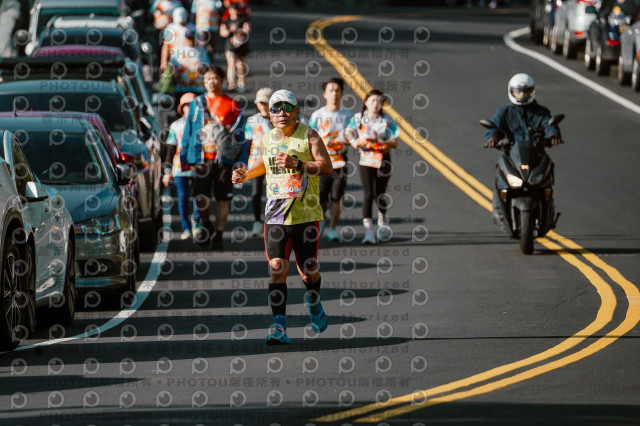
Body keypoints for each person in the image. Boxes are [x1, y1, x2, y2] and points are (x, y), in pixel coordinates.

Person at [231, 89, 333, 345]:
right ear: (270, 114)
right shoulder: (266, 139)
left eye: (288, 108)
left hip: (305, 216)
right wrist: (246, 174)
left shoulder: (309, 135)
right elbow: (263, 165)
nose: (282, 113)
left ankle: (314, 301)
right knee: (277, 268)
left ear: (297, 112)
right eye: (276, 108)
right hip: (276, 217)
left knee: (308, 271)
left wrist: (299, 165)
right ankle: (279, 328)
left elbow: (326, 167)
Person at [180, 65, 249, 250]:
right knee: (200, 196)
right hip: (201, 159)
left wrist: (242, 161)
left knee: (222, 199)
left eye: (215, 78)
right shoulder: (197, 104)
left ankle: (218, 234)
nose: (211, 82)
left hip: (224, 159)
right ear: (204, 81)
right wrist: (184, 156)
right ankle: (206, 223)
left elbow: (240, 136)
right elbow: (188, 130)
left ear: (222, 80)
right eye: (208, 79)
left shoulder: (232, 105)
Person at [484, 73, 561, 228]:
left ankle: (548, 208)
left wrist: (553, 135)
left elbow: (549, 125)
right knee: (501, 176)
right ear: (511, 91)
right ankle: (499, 210)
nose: (521, 96)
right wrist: (492, 138)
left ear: (532, 92)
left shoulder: (541, 112)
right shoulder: (504, 112)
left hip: (535, 156)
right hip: (512, 157)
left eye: (525, 92)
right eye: (517, 92)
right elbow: (494, 127)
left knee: (548, 170)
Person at [345, 89, 399, 245]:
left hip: (383, 159)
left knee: (379, 193)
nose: (376, 104)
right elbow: (348, 132)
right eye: (373, 100)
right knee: (368, 194)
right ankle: (368, 232)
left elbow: (395, 142)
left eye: (379, 102)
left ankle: (382, 221)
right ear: (366, 102)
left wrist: (381, 139)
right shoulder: (359, 118)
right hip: (366, 160)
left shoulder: (387, 120)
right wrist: (354, 142)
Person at [309, 77, 353, 242]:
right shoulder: (317, 115)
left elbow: (354, 137)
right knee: (321, 197)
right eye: (331, 90)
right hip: (321, 162)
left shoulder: (348, 116)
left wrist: (344, 141)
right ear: (325, 94)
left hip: (340, 161)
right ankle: (321, 222)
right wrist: (322, 142)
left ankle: (332, 228)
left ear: (341, 94)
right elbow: (309, 138)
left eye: (337, 91)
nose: (334, 94)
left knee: (336, 197)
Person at [163, 92, 197, 240]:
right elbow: (170, 150)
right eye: (186, 105)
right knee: (183, 198)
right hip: (179, 167)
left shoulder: (203, 124)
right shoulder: (175, 126)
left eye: (192, 105)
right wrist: (167, 171)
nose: (189, 108)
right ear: (181, 107)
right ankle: (186, 228)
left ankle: (197, 221)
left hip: (199, 167)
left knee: (199, 196)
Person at [244, 87, 273, 237]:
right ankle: (257, 222)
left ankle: (270, 223)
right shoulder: (252, 120)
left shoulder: (277, 119)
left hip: (274, 162)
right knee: (256, 192)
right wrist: (244, 163)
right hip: (256, 161)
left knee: (272, 193)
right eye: (260, 103)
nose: (263, 106)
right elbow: (247, 144)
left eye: (266, 102)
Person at [168, 29, 210, 98]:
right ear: (185, 39)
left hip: (198, 88)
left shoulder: (202, 51)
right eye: (188, 38)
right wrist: (175, 74)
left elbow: (207, 67)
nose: (190, 40)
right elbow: (172, 65)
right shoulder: (178, 50)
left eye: (192, 38)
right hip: (182, 88)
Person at [219, 2, 251, 93]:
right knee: (231, 63)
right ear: (229, 10)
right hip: (230, 45)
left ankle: (241, 83)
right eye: (232, 10)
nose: (234, 11)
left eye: (236, 10)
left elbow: (247, 29)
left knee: (240, 64)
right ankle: (231, 84)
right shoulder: (226, 21)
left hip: (242, 45)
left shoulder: (243, 19)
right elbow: (222, 32)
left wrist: (240, 32)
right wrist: (230, 30)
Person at [160, 7, 195, 72]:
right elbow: (166, 45)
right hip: (175, 60)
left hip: (189, 61)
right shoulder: (170, 28)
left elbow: (196, 45)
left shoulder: (192, 28)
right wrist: (163, 61)